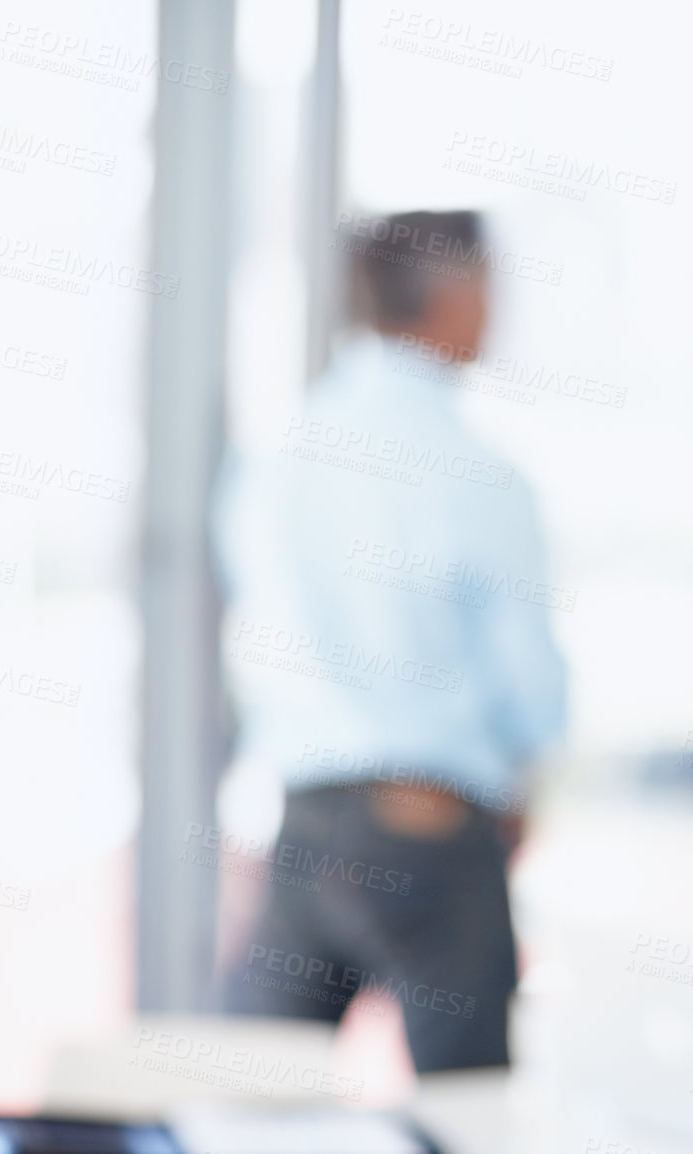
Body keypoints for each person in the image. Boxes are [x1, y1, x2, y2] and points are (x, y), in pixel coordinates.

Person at [212, 209, 567, 1072]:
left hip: (301, 828)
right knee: (469, 1121)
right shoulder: (478, 469)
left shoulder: (277, 453)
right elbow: (533, 701)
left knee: (253, 1116)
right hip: (430, 827)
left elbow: (251, 635)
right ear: (455, 295)